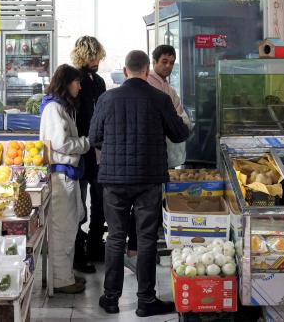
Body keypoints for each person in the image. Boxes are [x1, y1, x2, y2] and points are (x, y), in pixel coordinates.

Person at [89, 51, 189, 317]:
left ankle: (110, 298)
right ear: (147, 71)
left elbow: (94, 137)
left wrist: (115, 149)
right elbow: (180, 134)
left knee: (115, 238)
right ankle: (146, 300)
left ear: (125, 71)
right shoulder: (160, 98)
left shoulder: (107, 98)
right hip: (149, 178)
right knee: (145, 239)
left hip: (114, 180)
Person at [125, 45, 192, 271]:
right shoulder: (151, 89)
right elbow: (177, 124)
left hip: (158, 159)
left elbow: (182, 119)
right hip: (146, 161)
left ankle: (141, 254)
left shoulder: (168, 89)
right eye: (164, 61)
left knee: (148, 211)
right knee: (142, 211)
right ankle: (138, 255)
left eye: (172, 62)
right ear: (151, 63)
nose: (168, 66)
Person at [39, 64, 91, 294]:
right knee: (62, 230)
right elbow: (61, 143)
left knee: (70, 226)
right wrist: (86, 142)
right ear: (66, 83)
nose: (79, 86)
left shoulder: (62, 107)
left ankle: (64, 274)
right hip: (60, 178)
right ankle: (60, 280)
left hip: (67, 176)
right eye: (76, 82)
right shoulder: (53, 108)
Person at [70, 36, 107, 273]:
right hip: (82, 148)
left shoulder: (99, 81)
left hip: (97, 148)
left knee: (98, 197)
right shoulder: (74, 80)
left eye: (98, 56)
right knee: (79, 201)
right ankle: (78, 250)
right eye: (93, 56)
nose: (97, 61)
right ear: (83, 55)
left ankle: (94, 243)